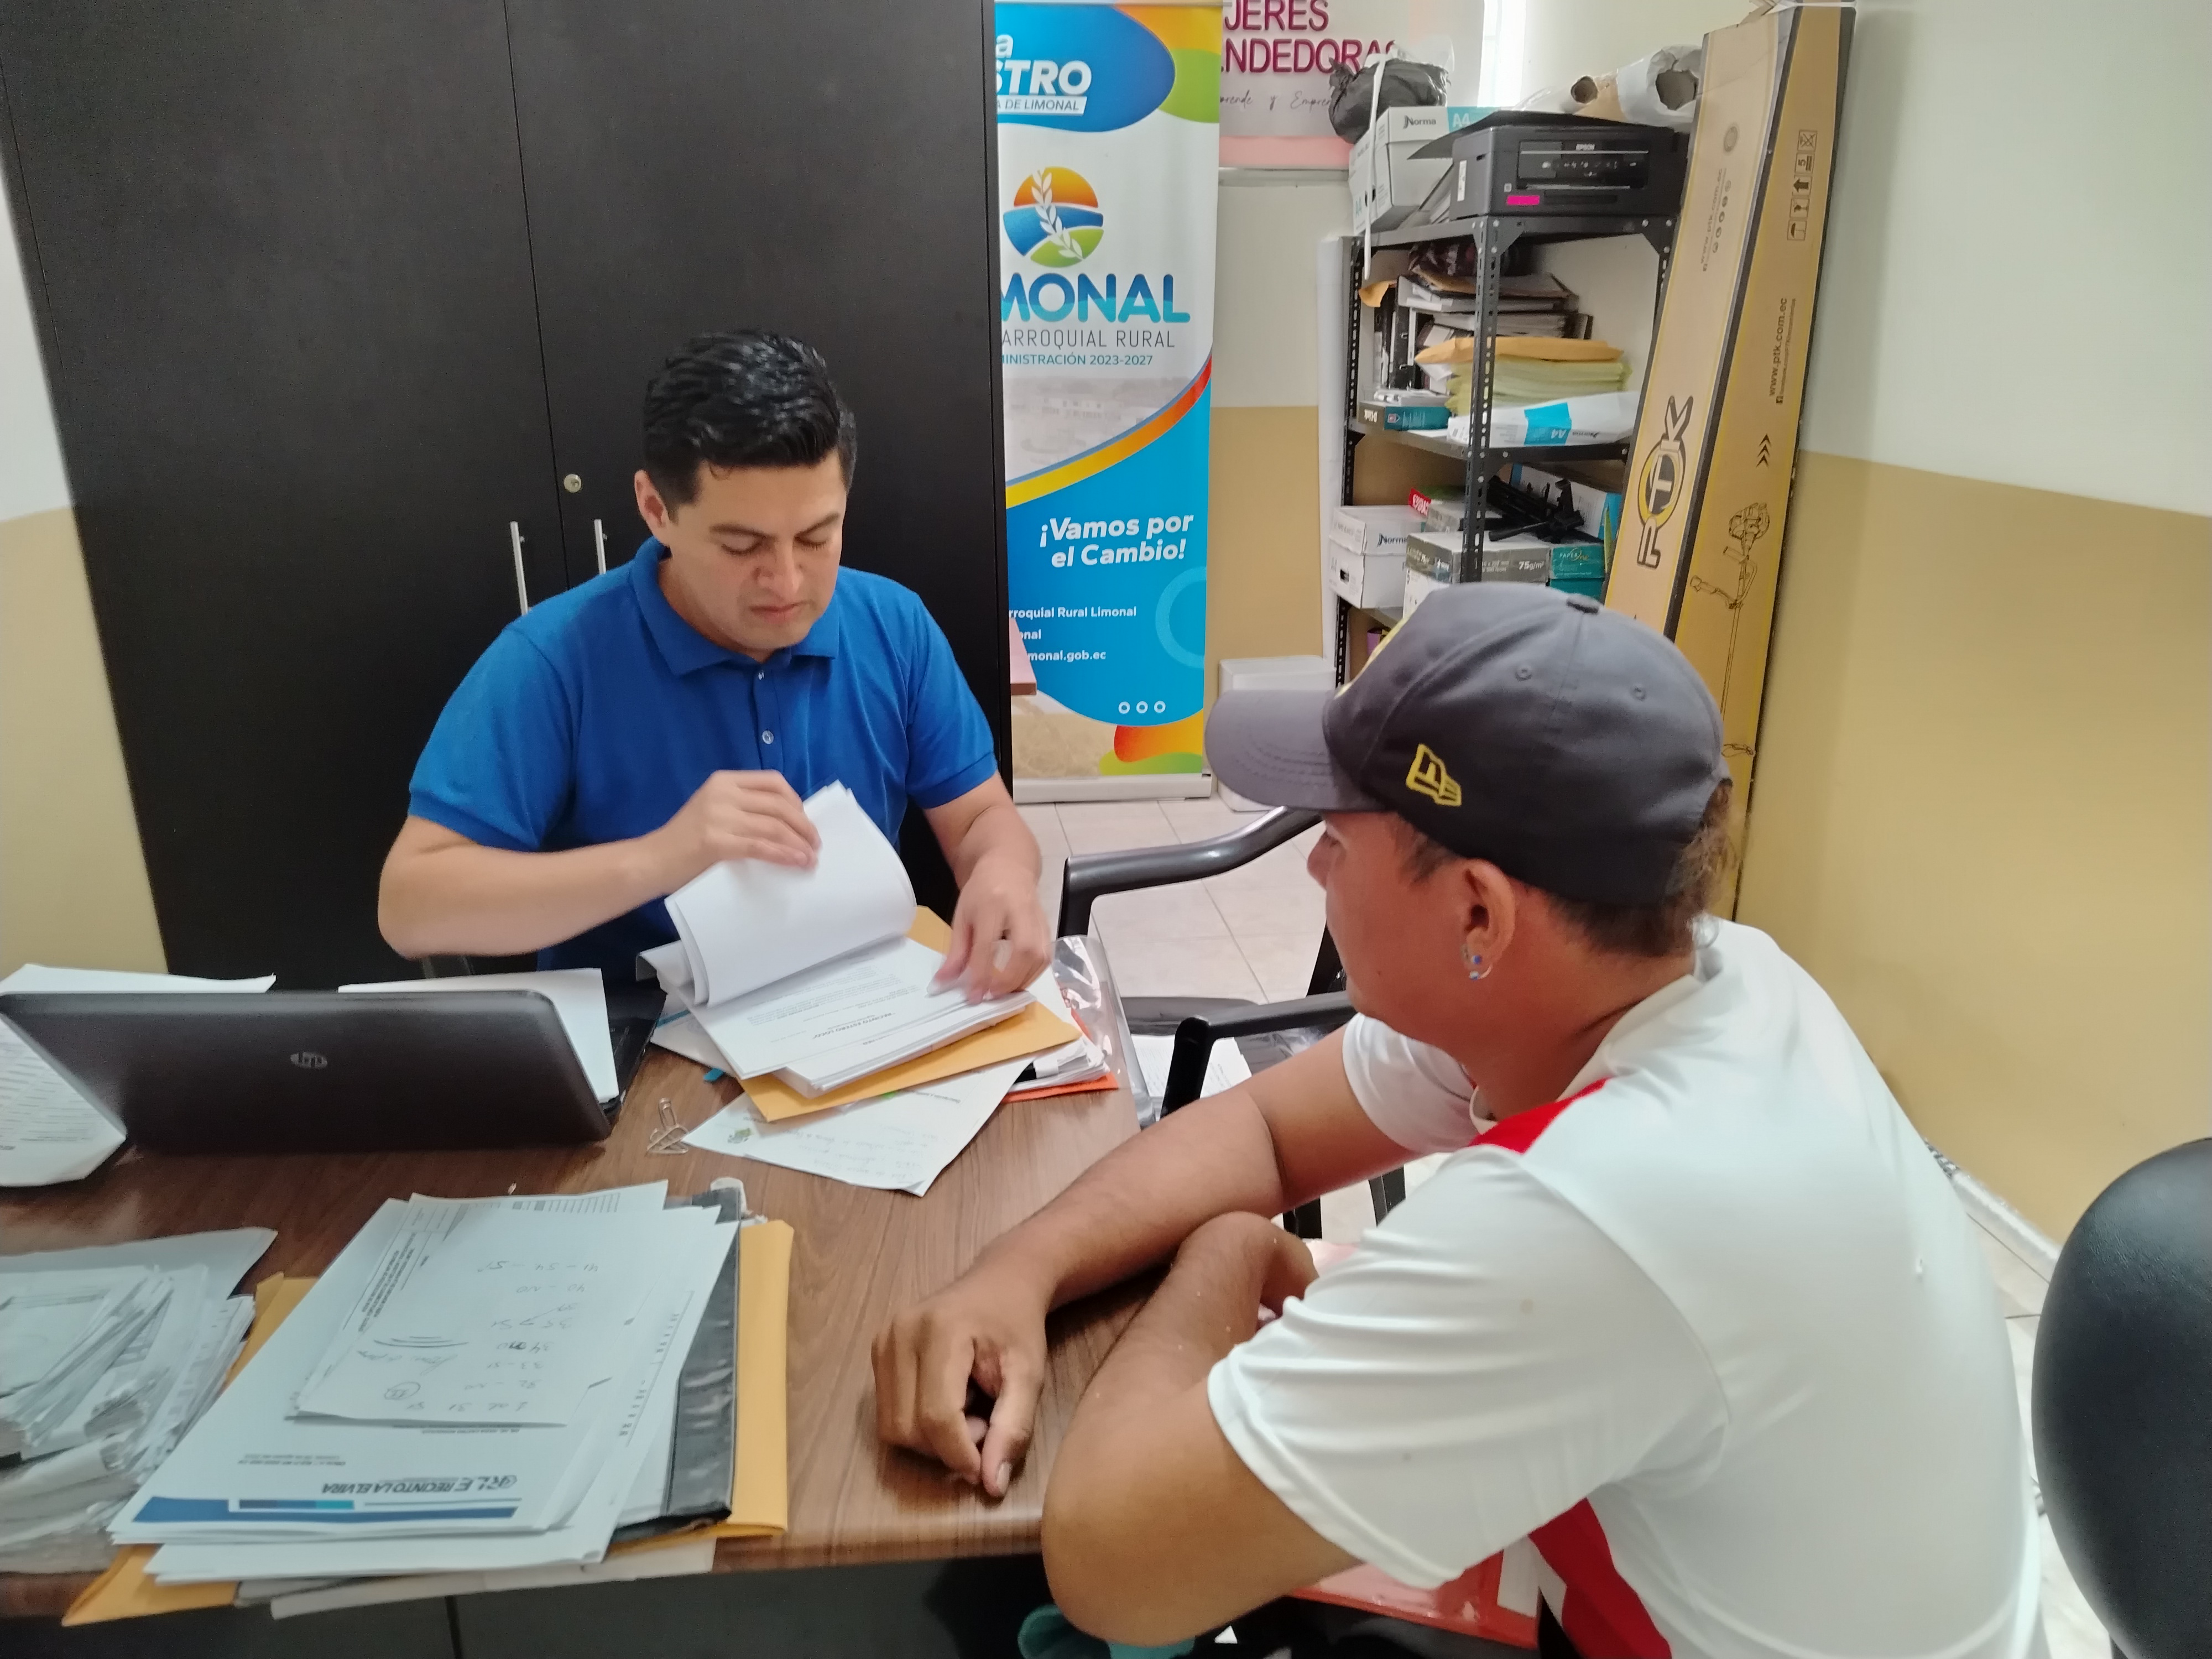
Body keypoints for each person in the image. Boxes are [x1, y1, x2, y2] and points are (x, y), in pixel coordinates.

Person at [873, 586, 2042, 1658]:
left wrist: (1223, 1258)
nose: (1313, 866)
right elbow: (1268, 1132)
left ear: (1479, 913)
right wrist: (1014, 1273)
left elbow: (1113, 1565)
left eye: (1338, 836)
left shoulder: (1593, 1212)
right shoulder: (1704, 975)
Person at [378, 330, 1046, 997]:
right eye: (741, 546)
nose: (787, 582)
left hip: (860, 1008)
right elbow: (411, 906)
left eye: (816, 537)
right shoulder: (556, 660)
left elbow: (980, 818)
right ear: (655, 509)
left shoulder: (893, 626)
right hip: (643, 1031)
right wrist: (660, 858)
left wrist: (1003, 873)